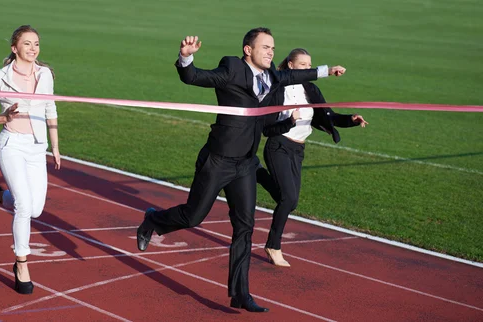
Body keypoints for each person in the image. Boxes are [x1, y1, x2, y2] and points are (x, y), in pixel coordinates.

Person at [136, 28, 346, 312]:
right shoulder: (232, 68)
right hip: (218, 159)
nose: (271, 52)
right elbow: (195, 77)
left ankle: (240, 294)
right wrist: (185, 59)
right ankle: (154, 220)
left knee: (245, 227)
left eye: (273, 48)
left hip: (246, 163)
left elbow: (295, 75)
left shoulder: (272, 75)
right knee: (193, 216)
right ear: (248, 50)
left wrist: (325, 71)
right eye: (265, 47)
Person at [257, 48, 368, 267]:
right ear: (290, 66)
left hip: (298, 150)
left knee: (291, 201)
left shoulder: (311, 89)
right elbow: (266, 129)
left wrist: (351, 120)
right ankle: (273, 245)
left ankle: (256, 172)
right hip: (278, 145)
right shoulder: (278, 89)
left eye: (310, 66)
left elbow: (329, 116)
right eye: (303, 66)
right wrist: (289, 121)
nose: (307, 69)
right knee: (287, 199)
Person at [0, 25, 60, 295]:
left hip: (37, 147)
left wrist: (55, 147)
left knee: (35, 209)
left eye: (36, 44)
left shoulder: (45, 74)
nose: (33, 48)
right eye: (27, 44)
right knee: (24, 206)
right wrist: (5, 118)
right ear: (15, 48)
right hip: (11, 145)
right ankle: (21, 263)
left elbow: (50, 108)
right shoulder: (0, 76)